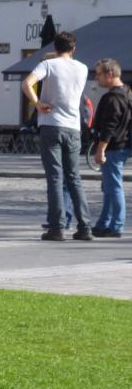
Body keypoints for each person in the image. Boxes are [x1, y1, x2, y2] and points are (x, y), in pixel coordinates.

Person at [23, 31, 93, 240]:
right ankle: (85, 226)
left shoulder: (48, 65)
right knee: (74, 178)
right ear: (73, 48)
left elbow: (27, 83)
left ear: (54, 47)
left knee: (55, 177)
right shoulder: (82, 68)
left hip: (51, 125)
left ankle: (57, 227)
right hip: (73, 127)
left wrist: (37, 103)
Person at [90, 59, 131, 238]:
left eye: (98, 74)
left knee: (113, 186)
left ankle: (116, 225)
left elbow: (109, 126)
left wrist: (101, 149)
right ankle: (104, 223)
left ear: (109, 74)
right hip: (124, 144)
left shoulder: (113, 98)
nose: (96, 78)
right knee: (108, 186)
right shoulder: (128, 92)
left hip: (114, 146)